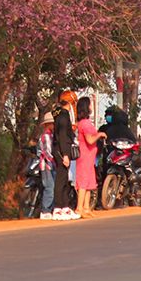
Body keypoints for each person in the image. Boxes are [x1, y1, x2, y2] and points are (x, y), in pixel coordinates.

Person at [74, 97, 106, 217]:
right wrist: (100, 134)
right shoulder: (85, 124)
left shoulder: (83, 122)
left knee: (88, 182)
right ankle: (79, 207)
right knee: (83, 182)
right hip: (85, 155)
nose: (91, 107)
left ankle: (86, 207)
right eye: (90, 105)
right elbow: (90, 139)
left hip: (89, 156)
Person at [51, 90, 78, 220]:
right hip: (62, 150)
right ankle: (58, 208)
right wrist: (66, 155)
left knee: (65, 179)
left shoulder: (58, 114)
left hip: (60, 149)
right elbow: (62, 136)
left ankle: (65, 207)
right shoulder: (64, 115)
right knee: (61, 179)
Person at [37, 112, 57, 220]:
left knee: (51, 187)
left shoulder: (51, 136)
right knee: (49, 187)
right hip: (47, 165)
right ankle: (45, 210)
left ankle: (49, 209)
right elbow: (47, 152)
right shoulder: (45, 136)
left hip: (51, 164)